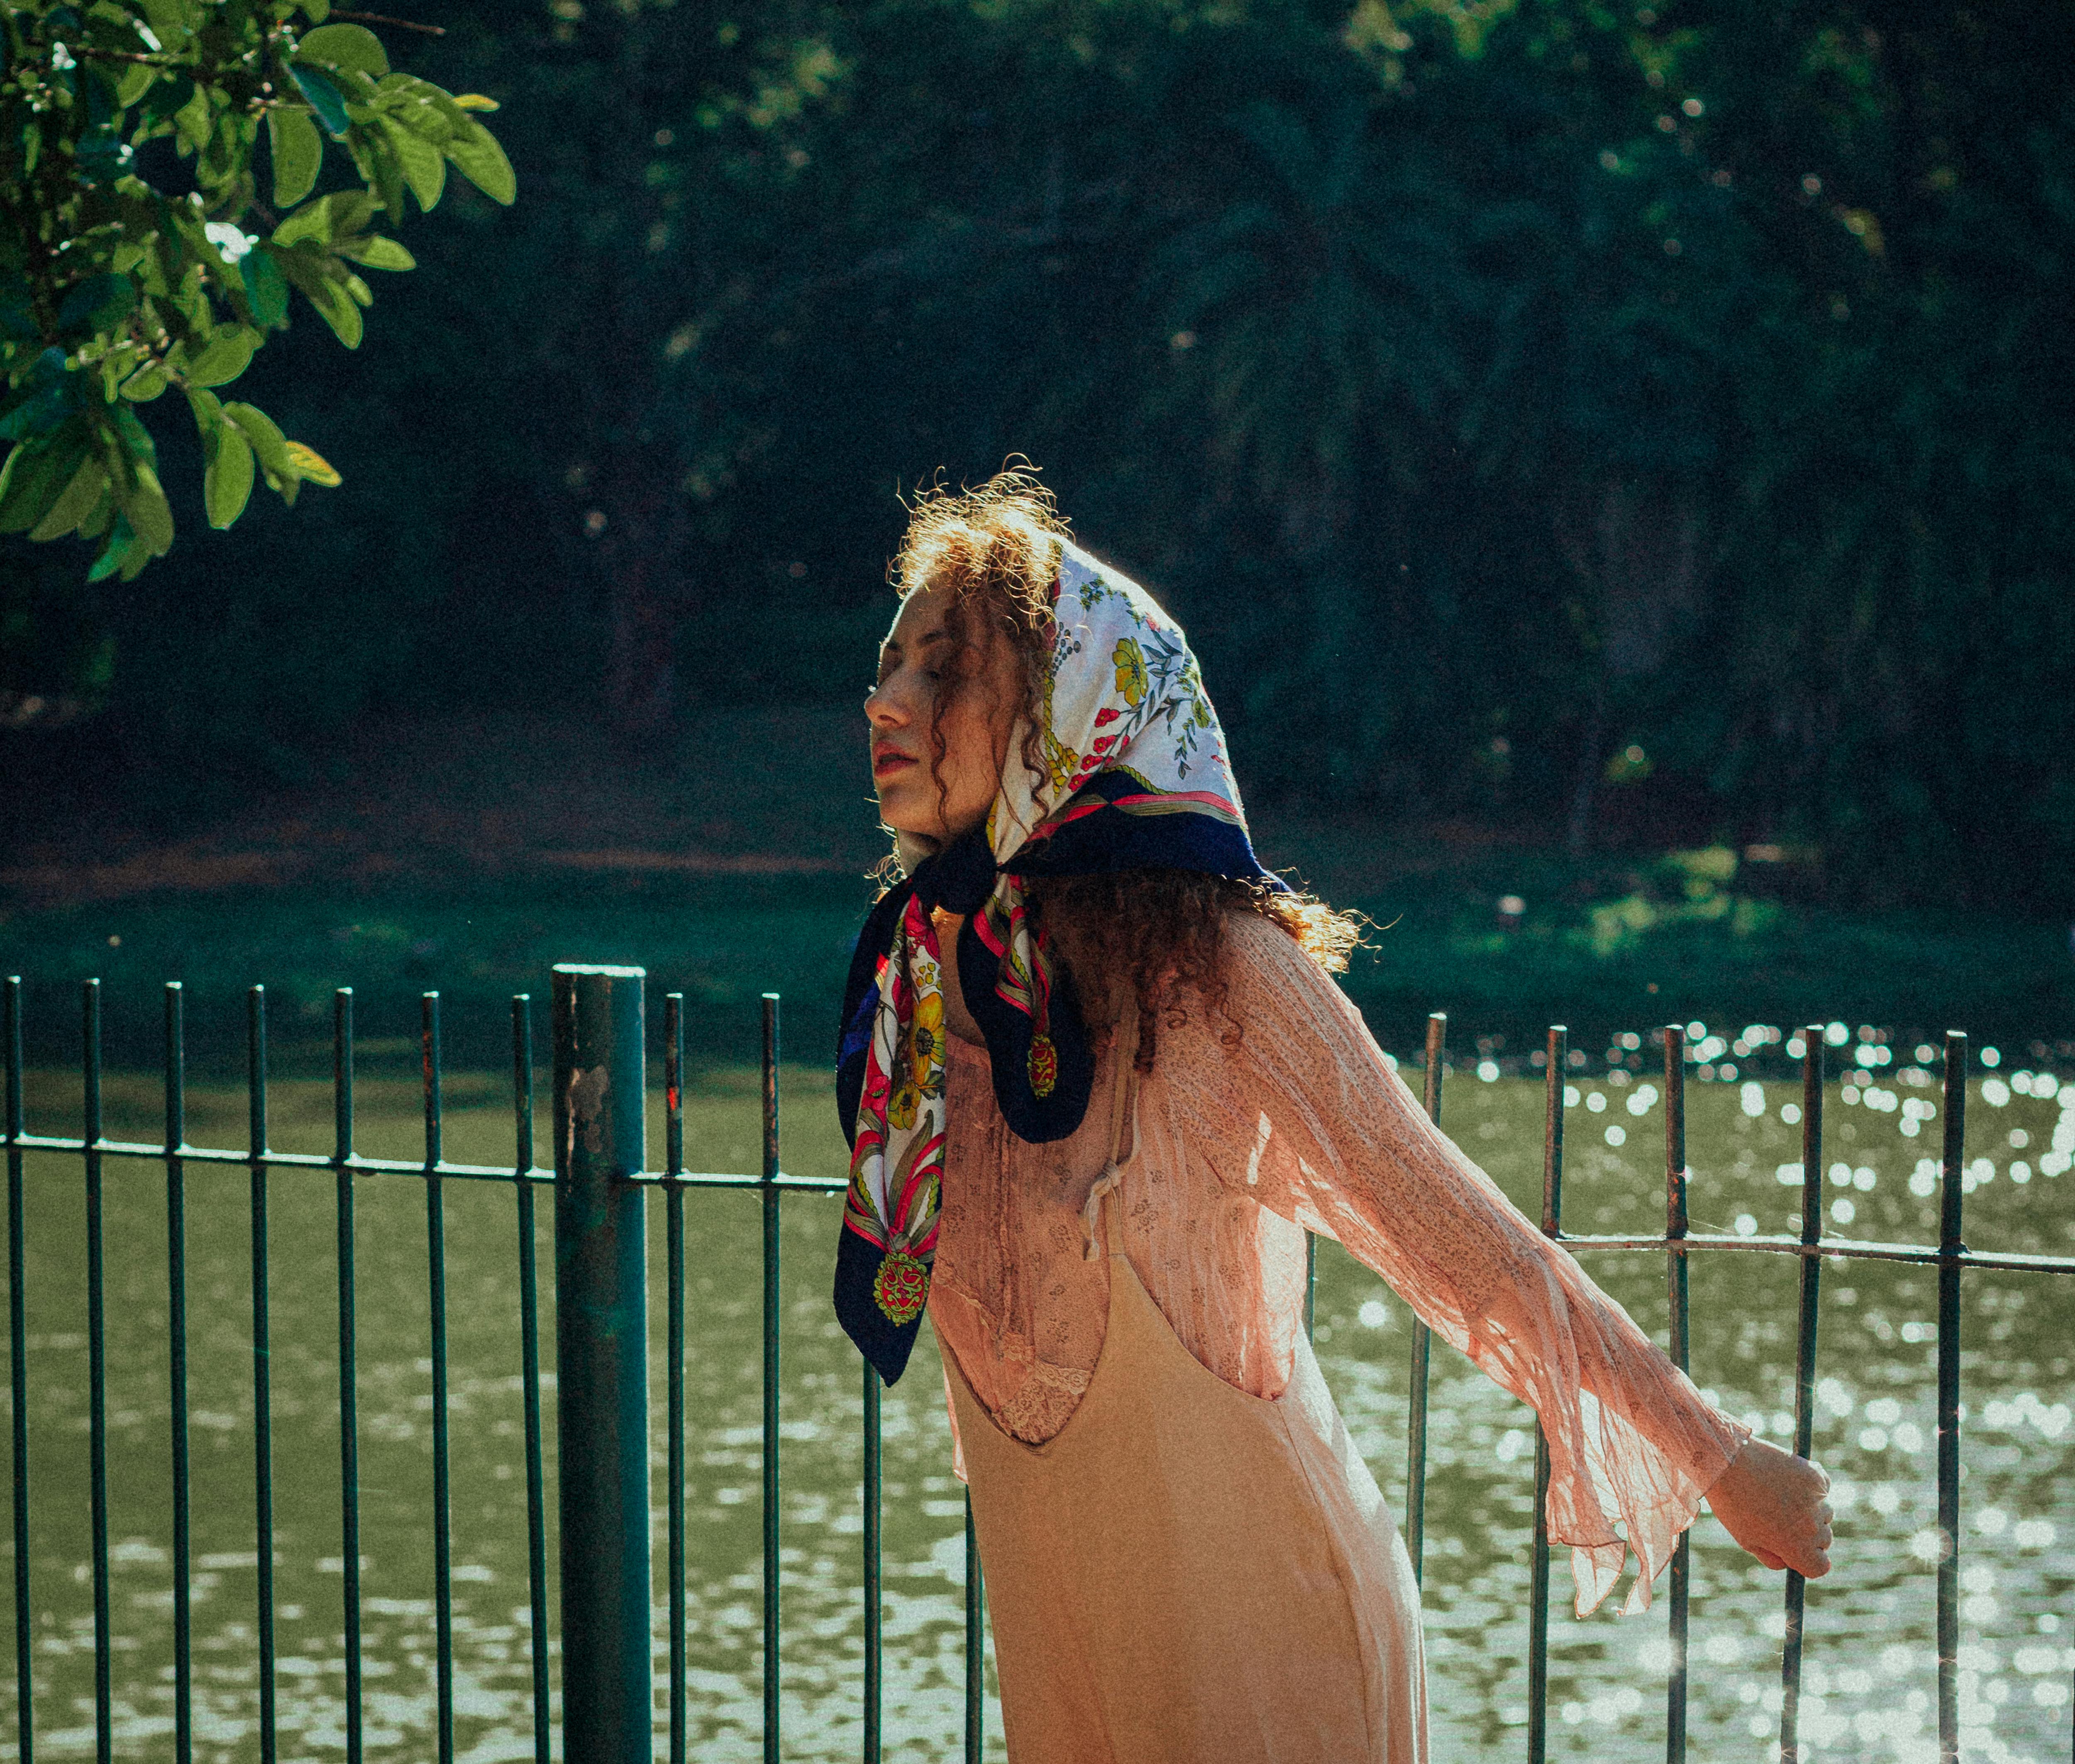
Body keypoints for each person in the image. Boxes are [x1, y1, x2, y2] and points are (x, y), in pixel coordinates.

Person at [831, 470, 1832, 1763]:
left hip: (1279, 1666)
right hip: (1066, 1675)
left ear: (1069, 706)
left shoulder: (1219, 977)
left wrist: (1714, 1455)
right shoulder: (914, 996)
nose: (888, 701)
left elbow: (1466, 1237)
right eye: (888, 663)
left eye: (943, 668)